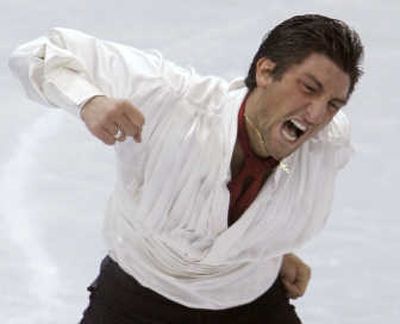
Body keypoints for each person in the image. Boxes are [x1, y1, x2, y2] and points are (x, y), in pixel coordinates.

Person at [9, 14, 363, 323]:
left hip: (251, 302)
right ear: (266, 71)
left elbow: (238, 211)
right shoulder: (172, 101)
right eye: (308, 88)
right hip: (137, 300)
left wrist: (264, 245)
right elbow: (39, 53)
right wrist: (88, 100)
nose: (317, 114)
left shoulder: (327, 144)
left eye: (333, 103)